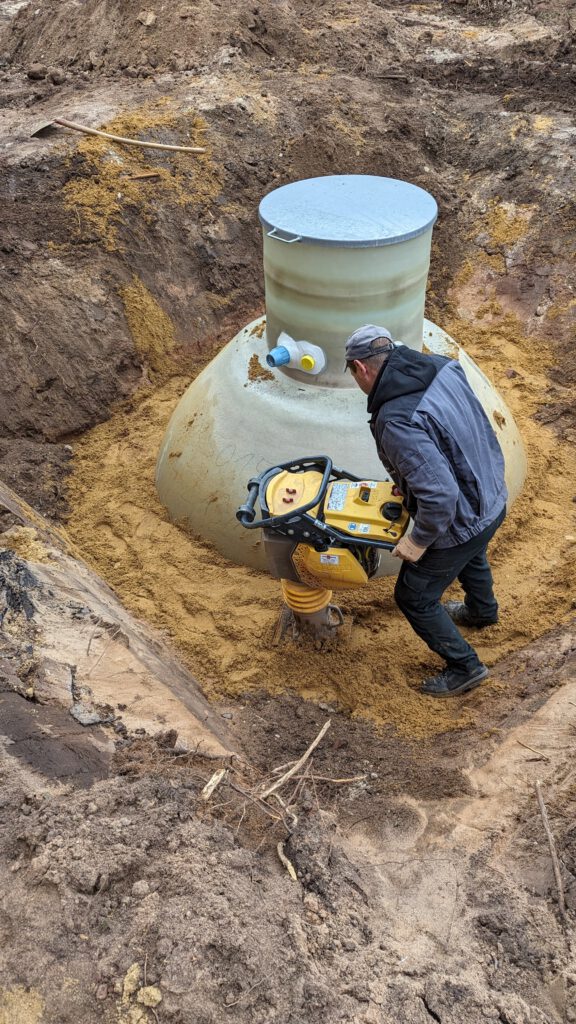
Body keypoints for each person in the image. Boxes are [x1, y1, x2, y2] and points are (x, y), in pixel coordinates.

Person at [345, 324, 507, 697]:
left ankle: (464, 666)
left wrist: (416, 541)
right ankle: (482, 613)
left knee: (413, 595)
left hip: (459, 514)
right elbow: (449, 432)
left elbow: (440, 498)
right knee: (472, 552)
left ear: (361, 368)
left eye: (353, 373)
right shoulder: (441, 366)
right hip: (489, 494)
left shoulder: (395, 419)